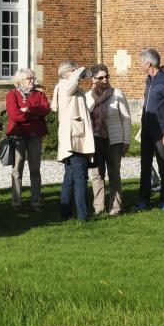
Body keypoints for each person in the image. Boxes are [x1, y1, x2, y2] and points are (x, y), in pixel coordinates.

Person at [51, 60, 95, 221]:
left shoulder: (68, 86)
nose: (78, 73)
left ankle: (66, 213)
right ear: (68, 72)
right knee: (81, 178)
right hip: (75, 139)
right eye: (74, 70)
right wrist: (82, 70)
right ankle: (83, 215)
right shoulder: (65, 85)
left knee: (69, 179)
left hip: (75, 137)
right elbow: (74, 80)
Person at [85, 64, 131, 215]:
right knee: (96, 174)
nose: (105, 80)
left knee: (114, 174)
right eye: (100, 77)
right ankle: (99, 207)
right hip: (94, 141)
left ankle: (116, 207)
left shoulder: (117, 93)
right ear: (93, 79)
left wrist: (126, 141)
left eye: (107, 76)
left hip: (114, 141)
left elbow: (126, 118)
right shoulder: (86, 97)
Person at [136, 48, 164, 211]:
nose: (140, 65)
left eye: (141, 62)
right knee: (145, 165)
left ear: (149, 63)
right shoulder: (149, 79)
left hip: (161, 131)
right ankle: (144, 199)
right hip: (147, 130)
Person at [5, 68, 50, 212]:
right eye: (29, 78)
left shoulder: (39, 94)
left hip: (35, 135)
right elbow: (14, 115)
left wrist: (28, 110)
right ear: (20, 81)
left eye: (33, 78)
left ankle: (36, 201)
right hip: (18, 136)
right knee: (17, 170)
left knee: (35, 169)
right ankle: (16, 202)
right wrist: (34, 115)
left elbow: (45, 109)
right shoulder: (12, 95)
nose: (32, 81)